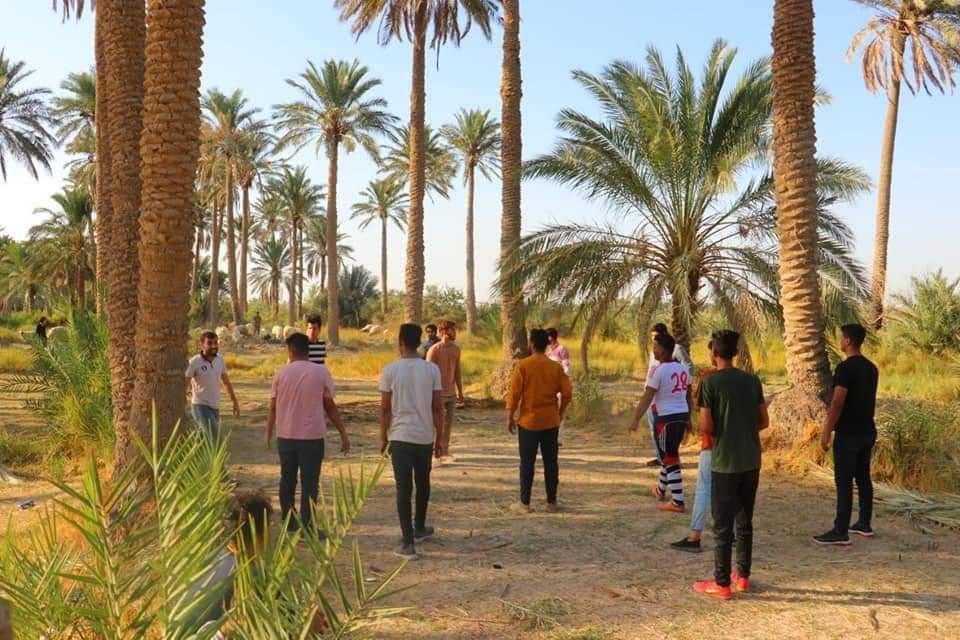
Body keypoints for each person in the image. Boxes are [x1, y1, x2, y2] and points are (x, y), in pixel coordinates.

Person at [693, 329, 768, 600]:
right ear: (736, 352)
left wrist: (724, 432)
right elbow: (764, 421)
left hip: (724, 462)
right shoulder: (752, 381)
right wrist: (743, 430)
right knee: (745, 521)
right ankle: (743, 576)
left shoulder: (710, 383)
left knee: (722, 526)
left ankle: (722, 582)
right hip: (751, 460)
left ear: (714, 352)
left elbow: (705, 426)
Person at [266, 332, 350, 535]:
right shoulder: (321, 372)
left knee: (287, 480)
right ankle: (308, 526)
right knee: (310, 484)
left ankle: (289, 521)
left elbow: (273, 406)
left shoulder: (280, 373)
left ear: (291, 350)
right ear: (308, 350)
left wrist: (269, 431)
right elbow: (330, 406)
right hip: (312, 438)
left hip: (286, 436)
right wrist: (343, 433)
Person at [379, 323, 444, 560]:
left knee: (403, 488)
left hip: (400, 436)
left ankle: (407, 542)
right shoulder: (432, 370)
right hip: (424, 436)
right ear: (418, 342)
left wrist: (382, 436)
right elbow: (437, 407)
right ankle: (419, 527)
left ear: (400, 343)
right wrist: (440, 438)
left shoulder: (390, 370)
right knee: (423, 483)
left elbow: (385, 409)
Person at [814, 323, 879, 546]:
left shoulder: (845, 369)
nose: (840, 341)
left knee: (844, 481)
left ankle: (840, 530)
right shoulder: (872, 368)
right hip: (867, 430)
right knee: (863, 477)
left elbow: (838, 402)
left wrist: (826, 431)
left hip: (848, 433)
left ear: (848, 341)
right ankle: (864, 523)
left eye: (842, 337)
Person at [506, 328, 573, 513]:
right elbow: (567, 393)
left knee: (527, 463)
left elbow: (514, 393)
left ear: (532, 344)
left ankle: (524, 503)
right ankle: (551, 502)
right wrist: (560, 411)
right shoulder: (555, 367)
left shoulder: (523, 365)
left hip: (528, 422)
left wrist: (509, 415)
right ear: (546, 345)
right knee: (551, 462)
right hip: (550, 421)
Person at [629, 333, 692, 513]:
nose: (653, 350)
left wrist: (635, 419)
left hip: (666, 419)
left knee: (670, 459)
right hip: (681, 416)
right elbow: (688, 395)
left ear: (663, 350)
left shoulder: (659, 371)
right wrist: (689, 418)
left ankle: (678, 502)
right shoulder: (682, 369)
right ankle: (660, 489)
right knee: (668, 454)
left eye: (656, 347)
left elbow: (647, 396)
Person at [671, 340, 719, 552]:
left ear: (714, 352)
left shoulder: (707, 377)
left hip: (712, 443)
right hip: (734, 446)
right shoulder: (747, 380)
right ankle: (730, 534)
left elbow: (704, 419)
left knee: (704, 488)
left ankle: (694, 536)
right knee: (730, 491)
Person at [644, 323, 693, 467]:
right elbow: (652, 370)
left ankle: (670, 459)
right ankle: (660, 457)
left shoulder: (676, 349)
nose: (653, 339)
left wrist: (681, 382)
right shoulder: (654, 352)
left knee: (668, 432)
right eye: (652, 337)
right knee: (654, 429)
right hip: (653, 393)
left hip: (668, 397)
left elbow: (688, 365)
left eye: (655, 336)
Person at [185, 331, 240, 440]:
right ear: (202, 344)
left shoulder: (220, 359)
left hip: (215, 407)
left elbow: (226, 383)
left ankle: (193, 450)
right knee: (216, 439)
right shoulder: (194, 362)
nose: (214, 346)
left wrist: (235, 402)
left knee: (202, 440)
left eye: (215, 342)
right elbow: (185, 383)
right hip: (200, 407)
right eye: (209, 343)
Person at [426, 320, 464, 462]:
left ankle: (444, 451)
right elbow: (427, 374)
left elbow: (457, 372)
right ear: (444, 331)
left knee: (448, 425)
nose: (455, 333)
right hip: (438, 394)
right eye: (453, 330)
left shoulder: (456, 349)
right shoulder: (434, 350)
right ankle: (433, 451)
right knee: (436, 424)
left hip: (451, 394)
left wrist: (460, 392)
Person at [545, 328, 571, 446]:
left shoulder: (562, 349)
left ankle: (558, 438)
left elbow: (567, 369)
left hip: (558, 387)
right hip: (548, 387)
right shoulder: (547, 351)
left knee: (559, 412)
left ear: (551, 338)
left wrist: (560, 383)